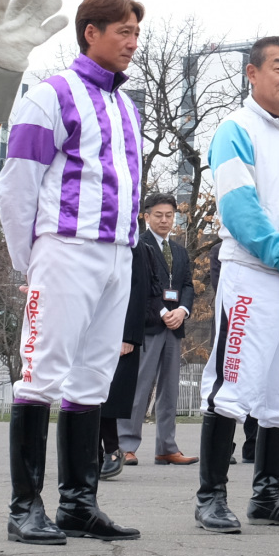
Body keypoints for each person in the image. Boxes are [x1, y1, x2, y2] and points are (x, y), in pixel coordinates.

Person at [0, 0, 147, 545]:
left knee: (92, 381)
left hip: (117, 254)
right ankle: (24, 507)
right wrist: (27, 260)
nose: (132, 44)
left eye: (136, 34)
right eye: (122, 33)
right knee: (42, 375)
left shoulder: (125, 106)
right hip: (63, 247)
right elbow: (16, 185)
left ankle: (79, 504)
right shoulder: (50, 94)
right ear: (91, 32)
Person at [195, 36, 279, 532]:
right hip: (253, 277)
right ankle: (211, 496)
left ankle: (267, 495)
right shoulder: (234, 129)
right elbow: (238, 206)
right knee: (232, 385)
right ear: (252, 73)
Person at [121, 194, 194, 467]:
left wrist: (182, 311)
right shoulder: (138, 245)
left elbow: (187, 285)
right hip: (149, 326)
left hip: (175, 327)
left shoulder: (180, 251)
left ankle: (166, 447)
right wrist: (164, 312)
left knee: (170, 390)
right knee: (140, 387)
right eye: (159, 215)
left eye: (169, 215)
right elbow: (140, 286)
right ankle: (126, 445)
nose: (165, 220)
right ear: (146, 216)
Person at [99, 232, 154, 480]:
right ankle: (91, 453)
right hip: (90, 324)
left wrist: (129, 336)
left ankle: (111, 449)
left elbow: (139, 289)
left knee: (109, 396)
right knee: (87, 393)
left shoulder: (134, 244)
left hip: (120, 330)